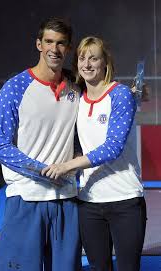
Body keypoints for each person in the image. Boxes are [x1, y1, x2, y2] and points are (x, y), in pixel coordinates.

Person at [41, 36, 147, 271]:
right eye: (82, 58)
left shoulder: (120, 95)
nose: (87, 64)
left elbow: (112, 147)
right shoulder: (77, 97)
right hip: (89, 202)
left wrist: (66, 166)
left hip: (125, 200)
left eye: (94, 58)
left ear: (105, 63)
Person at [0, 17, 82, 271]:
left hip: (66, 198)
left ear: (69, 48)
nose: (55, 49)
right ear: (39, 44)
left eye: (61, 43)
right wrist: (42, 171)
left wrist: (134, 96)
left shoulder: (76, 87)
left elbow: (84, 132)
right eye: (49, 42)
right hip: (26, 197)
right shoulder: (15, 88)